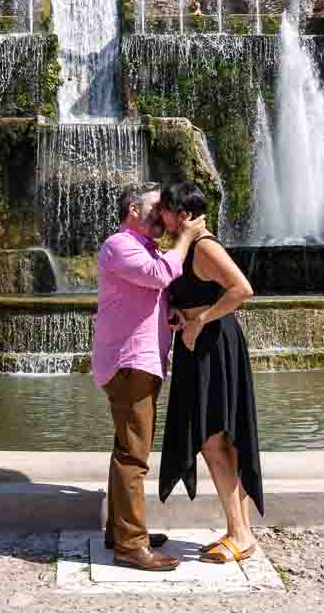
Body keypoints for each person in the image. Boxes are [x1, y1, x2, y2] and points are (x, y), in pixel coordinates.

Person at [93, 182, 206, 572]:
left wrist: (169, 313)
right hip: (130, 364)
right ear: (134, 211)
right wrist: (188, 237)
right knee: (133, 456)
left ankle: (119, 530)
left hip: (139, 362)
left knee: (125, 447)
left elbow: (151, 293)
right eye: (157, 208)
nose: (166, 214)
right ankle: (130, 545)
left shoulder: (141, 247)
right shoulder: (119, 244)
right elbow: (158, 276)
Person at [157, 181, 264, 565]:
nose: (160, 216)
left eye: (166, 210)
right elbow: (193, 291)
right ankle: (241, 531)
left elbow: (242, 289)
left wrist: (200, 319)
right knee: (219, 440)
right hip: (200, 344)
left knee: (214, 440)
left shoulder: (204, 246)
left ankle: (240, 534)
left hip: (213, 346)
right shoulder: (189, 246)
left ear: (182, 215)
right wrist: (182, 314)